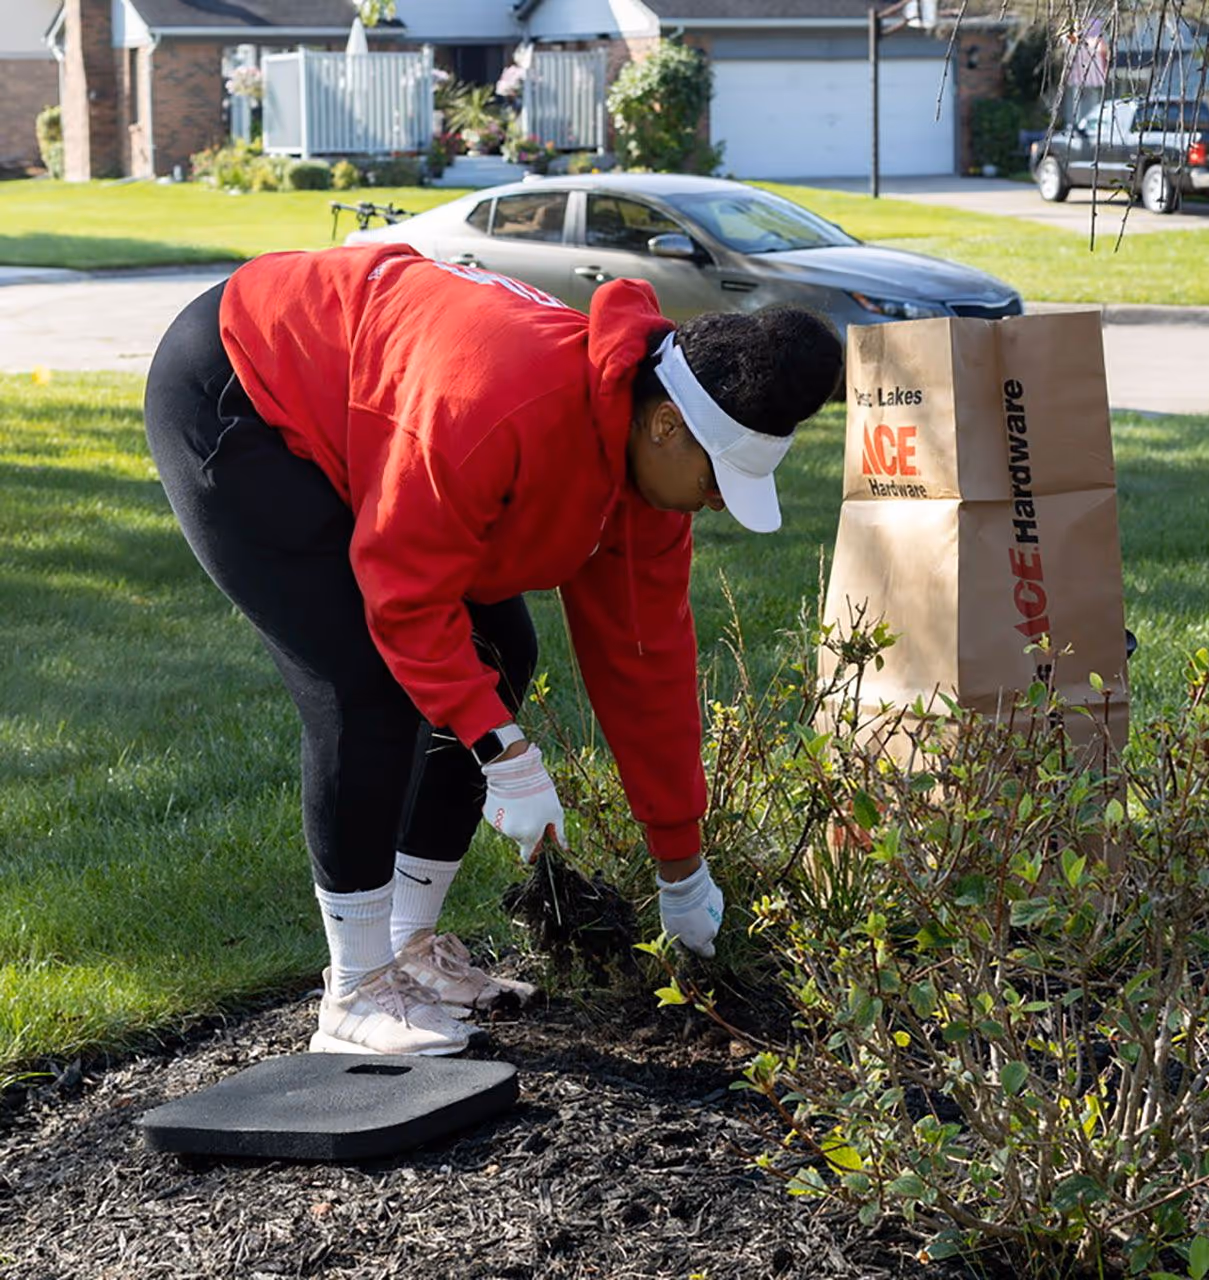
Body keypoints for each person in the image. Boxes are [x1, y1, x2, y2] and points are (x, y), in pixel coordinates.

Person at [143, 244, 842, 1057]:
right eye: (719, 479)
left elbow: (646, 666)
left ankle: (411, 949)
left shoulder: (649, 482)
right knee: (361, 685)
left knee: (500, 647)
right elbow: (403, 595)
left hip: (379, 408)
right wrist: (500, 750)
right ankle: (355, 992)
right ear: (665, 423)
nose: (719, 503)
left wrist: (680, 866)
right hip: (242, 384)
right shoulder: (500, 406)